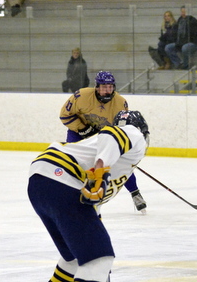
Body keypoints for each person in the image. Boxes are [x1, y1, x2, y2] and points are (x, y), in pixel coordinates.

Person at [29, 110, 150, 282]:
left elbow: (92, 203)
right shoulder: (134, 134)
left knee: (76, 256)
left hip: (41, 181)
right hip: (62, 179)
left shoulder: (104, 153)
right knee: (99, 258)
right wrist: (101, 169)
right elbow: (113, 133)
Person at [60, 71, 147, 214]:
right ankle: (71, 194)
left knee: (120, 163)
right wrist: (83, 129)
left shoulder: (120, 102)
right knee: (73, 161)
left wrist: (109, 139)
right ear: (97, 87)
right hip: (78, 133)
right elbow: (65, 115)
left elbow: (122, 129)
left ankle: (135, 193)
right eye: (104, 87)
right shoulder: (81, 96)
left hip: (105, 135)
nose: (108, 90)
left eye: (111, 87)